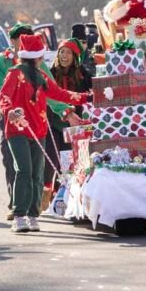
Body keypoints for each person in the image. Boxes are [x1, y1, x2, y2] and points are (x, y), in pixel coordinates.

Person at [0, 34, 88, 232]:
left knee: (37, 174)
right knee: (24, 170)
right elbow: (4, 96)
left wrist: (87, 97)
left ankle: (32, 215)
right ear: (38, 57)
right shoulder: (14, 74)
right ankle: (19, 215)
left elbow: (60, 94)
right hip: (17, 129)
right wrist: (10, 111)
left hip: (39, 130)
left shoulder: (42, 76)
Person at [45, 39, 93, 198]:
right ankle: (50, 194)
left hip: (75, 124)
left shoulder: (83, 75)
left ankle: (66, 194)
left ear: (75, 56)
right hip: (53, 122)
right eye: (61, 52)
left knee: (69, 161)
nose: (64, 56)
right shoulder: (50, 72)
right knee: (51, 160)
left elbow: (92, 94)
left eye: (68, 53)